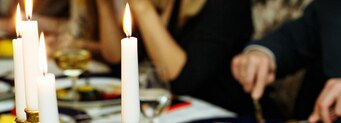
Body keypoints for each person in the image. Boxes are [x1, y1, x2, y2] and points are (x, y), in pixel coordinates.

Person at [96, 0, 254, 114]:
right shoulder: (170, 4)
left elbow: (182, 81)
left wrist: (140, 5)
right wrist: (103, 4)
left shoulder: (226, 5)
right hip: (177, 117)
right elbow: (117, 58)